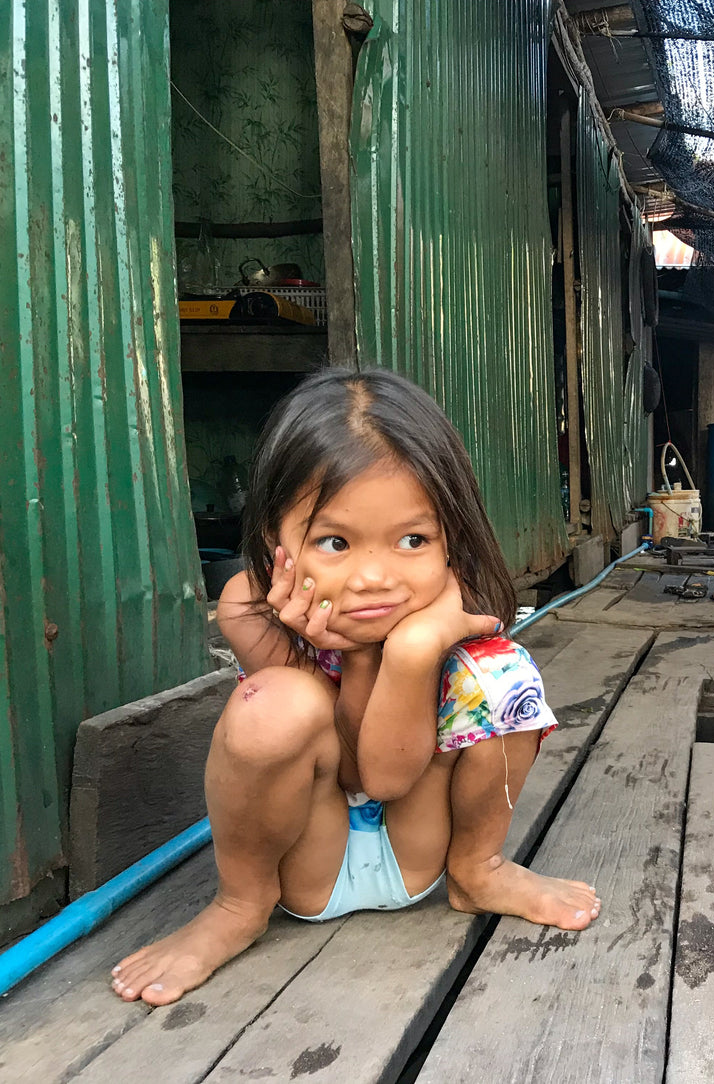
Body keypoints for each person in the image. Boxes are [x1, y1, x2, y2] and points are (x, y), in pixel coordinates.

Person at [111, 369, 600, 1007]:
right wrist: (350, 656)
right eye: (334, 541)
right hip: (309, 860)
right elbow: (345, 774)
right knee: (275, 704)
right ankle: (239, 905)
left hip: (418, 842)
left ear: (451, 537)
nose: (374, 576)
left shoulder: (454, 609)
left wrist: (409, 654)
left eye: (413, 539)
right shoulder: (247, 607)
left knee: (503, 675)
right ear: (274, 542)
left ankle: (479, 870)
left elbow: (390, 780)